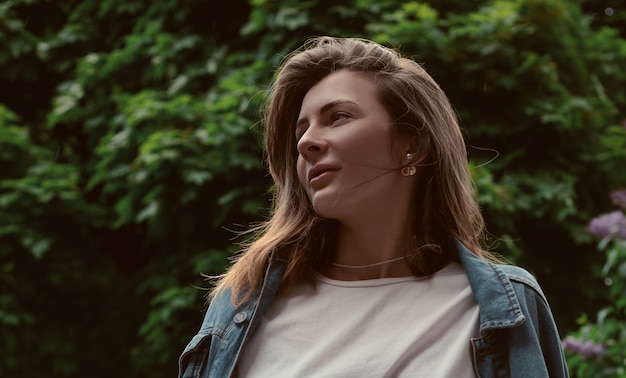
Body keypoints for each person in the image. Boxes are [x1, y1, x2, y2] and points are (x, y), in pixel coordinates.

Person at [178, 36, 569, 377]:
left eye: (338, 117)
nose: (306, 143)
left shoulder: (504, 308)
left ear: (411, 144)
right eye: (302, 130)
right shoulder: (239, 309)